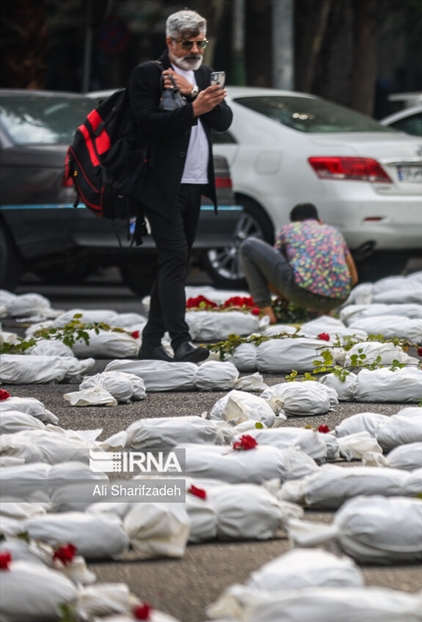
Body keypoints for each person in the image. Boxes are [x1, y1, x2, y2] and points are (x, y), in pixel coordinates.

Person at [129, 9, 232, 362]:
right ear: (169, 42)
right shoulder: (149, 74)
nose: (193, 49)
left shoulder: (203, 75)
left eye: (199, 42)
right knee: (174, 258)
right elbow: (144, 124)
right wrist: (192, 106)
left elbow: (222, 120)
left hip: (194, 184)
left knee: (176, 261)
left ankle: (150, 343)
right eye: (186, 43)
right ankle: (181, 341)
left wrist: (195, 93)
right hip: (160, 185)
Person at [239, 203, 358, 323]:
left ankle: (268, 314)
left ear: (294, 222)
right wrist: (330, 293)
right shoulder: (334, 232)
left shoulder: (288, 229)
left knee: (248, 246)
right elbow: (354, 278)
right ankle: (324, 312)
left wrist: (283, 294)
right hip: (339, 298)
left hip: (300, 292)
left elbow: (271, 274)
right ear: (319, 221)